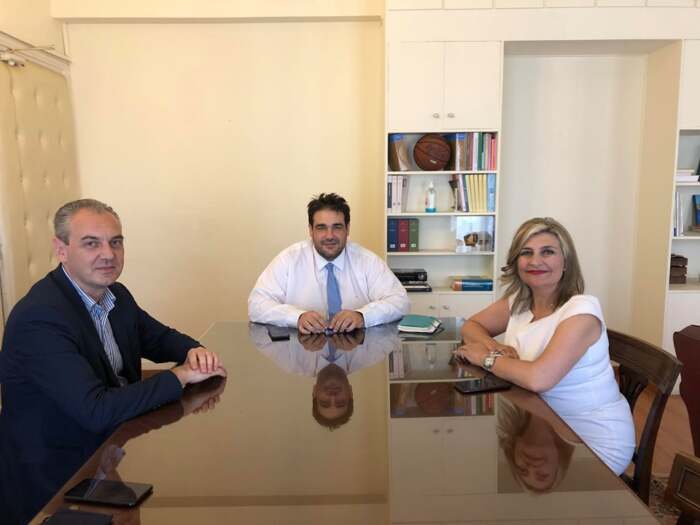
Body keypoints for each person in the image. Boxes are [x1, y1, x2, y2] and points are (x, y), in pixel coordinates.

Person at [0, 199, 227, 439]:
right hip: (65, 455)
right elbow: (96, 410)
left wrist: (194, 352)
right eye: (91, 243)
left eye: (115, 242)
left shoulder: (117, 295)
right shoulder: (39, 318)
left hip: (117, 436)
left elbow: (159, 339)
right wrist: (180, 376)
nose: (108, 254)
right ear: (61, 250)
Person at [455, 217, 635, 474]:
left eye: (547, 252)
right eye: (526, 253)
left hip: (590, 435)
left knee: (501, 467)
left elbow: (538, 379)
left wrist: (487, 358)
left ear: (566, 262)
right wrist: (491, 346)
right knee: (474, 459)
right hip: (539, 419)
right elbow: (471, 326)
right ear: (516, 261)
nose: (535, 261)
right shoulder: (519, 301)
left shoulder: (581, 310)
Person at [248, 193, 409, 334]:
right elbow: (256, 304)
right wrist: (296, 317)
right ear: (311, 230)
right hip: (302, 351)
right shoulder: (289, 260)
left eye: (337, 227)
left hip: (358, 351)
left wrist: (362, 316)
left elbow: (400, 301)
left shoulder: (367, 260)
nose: (329, 236)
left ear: (347, 229)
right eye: (321, 228)